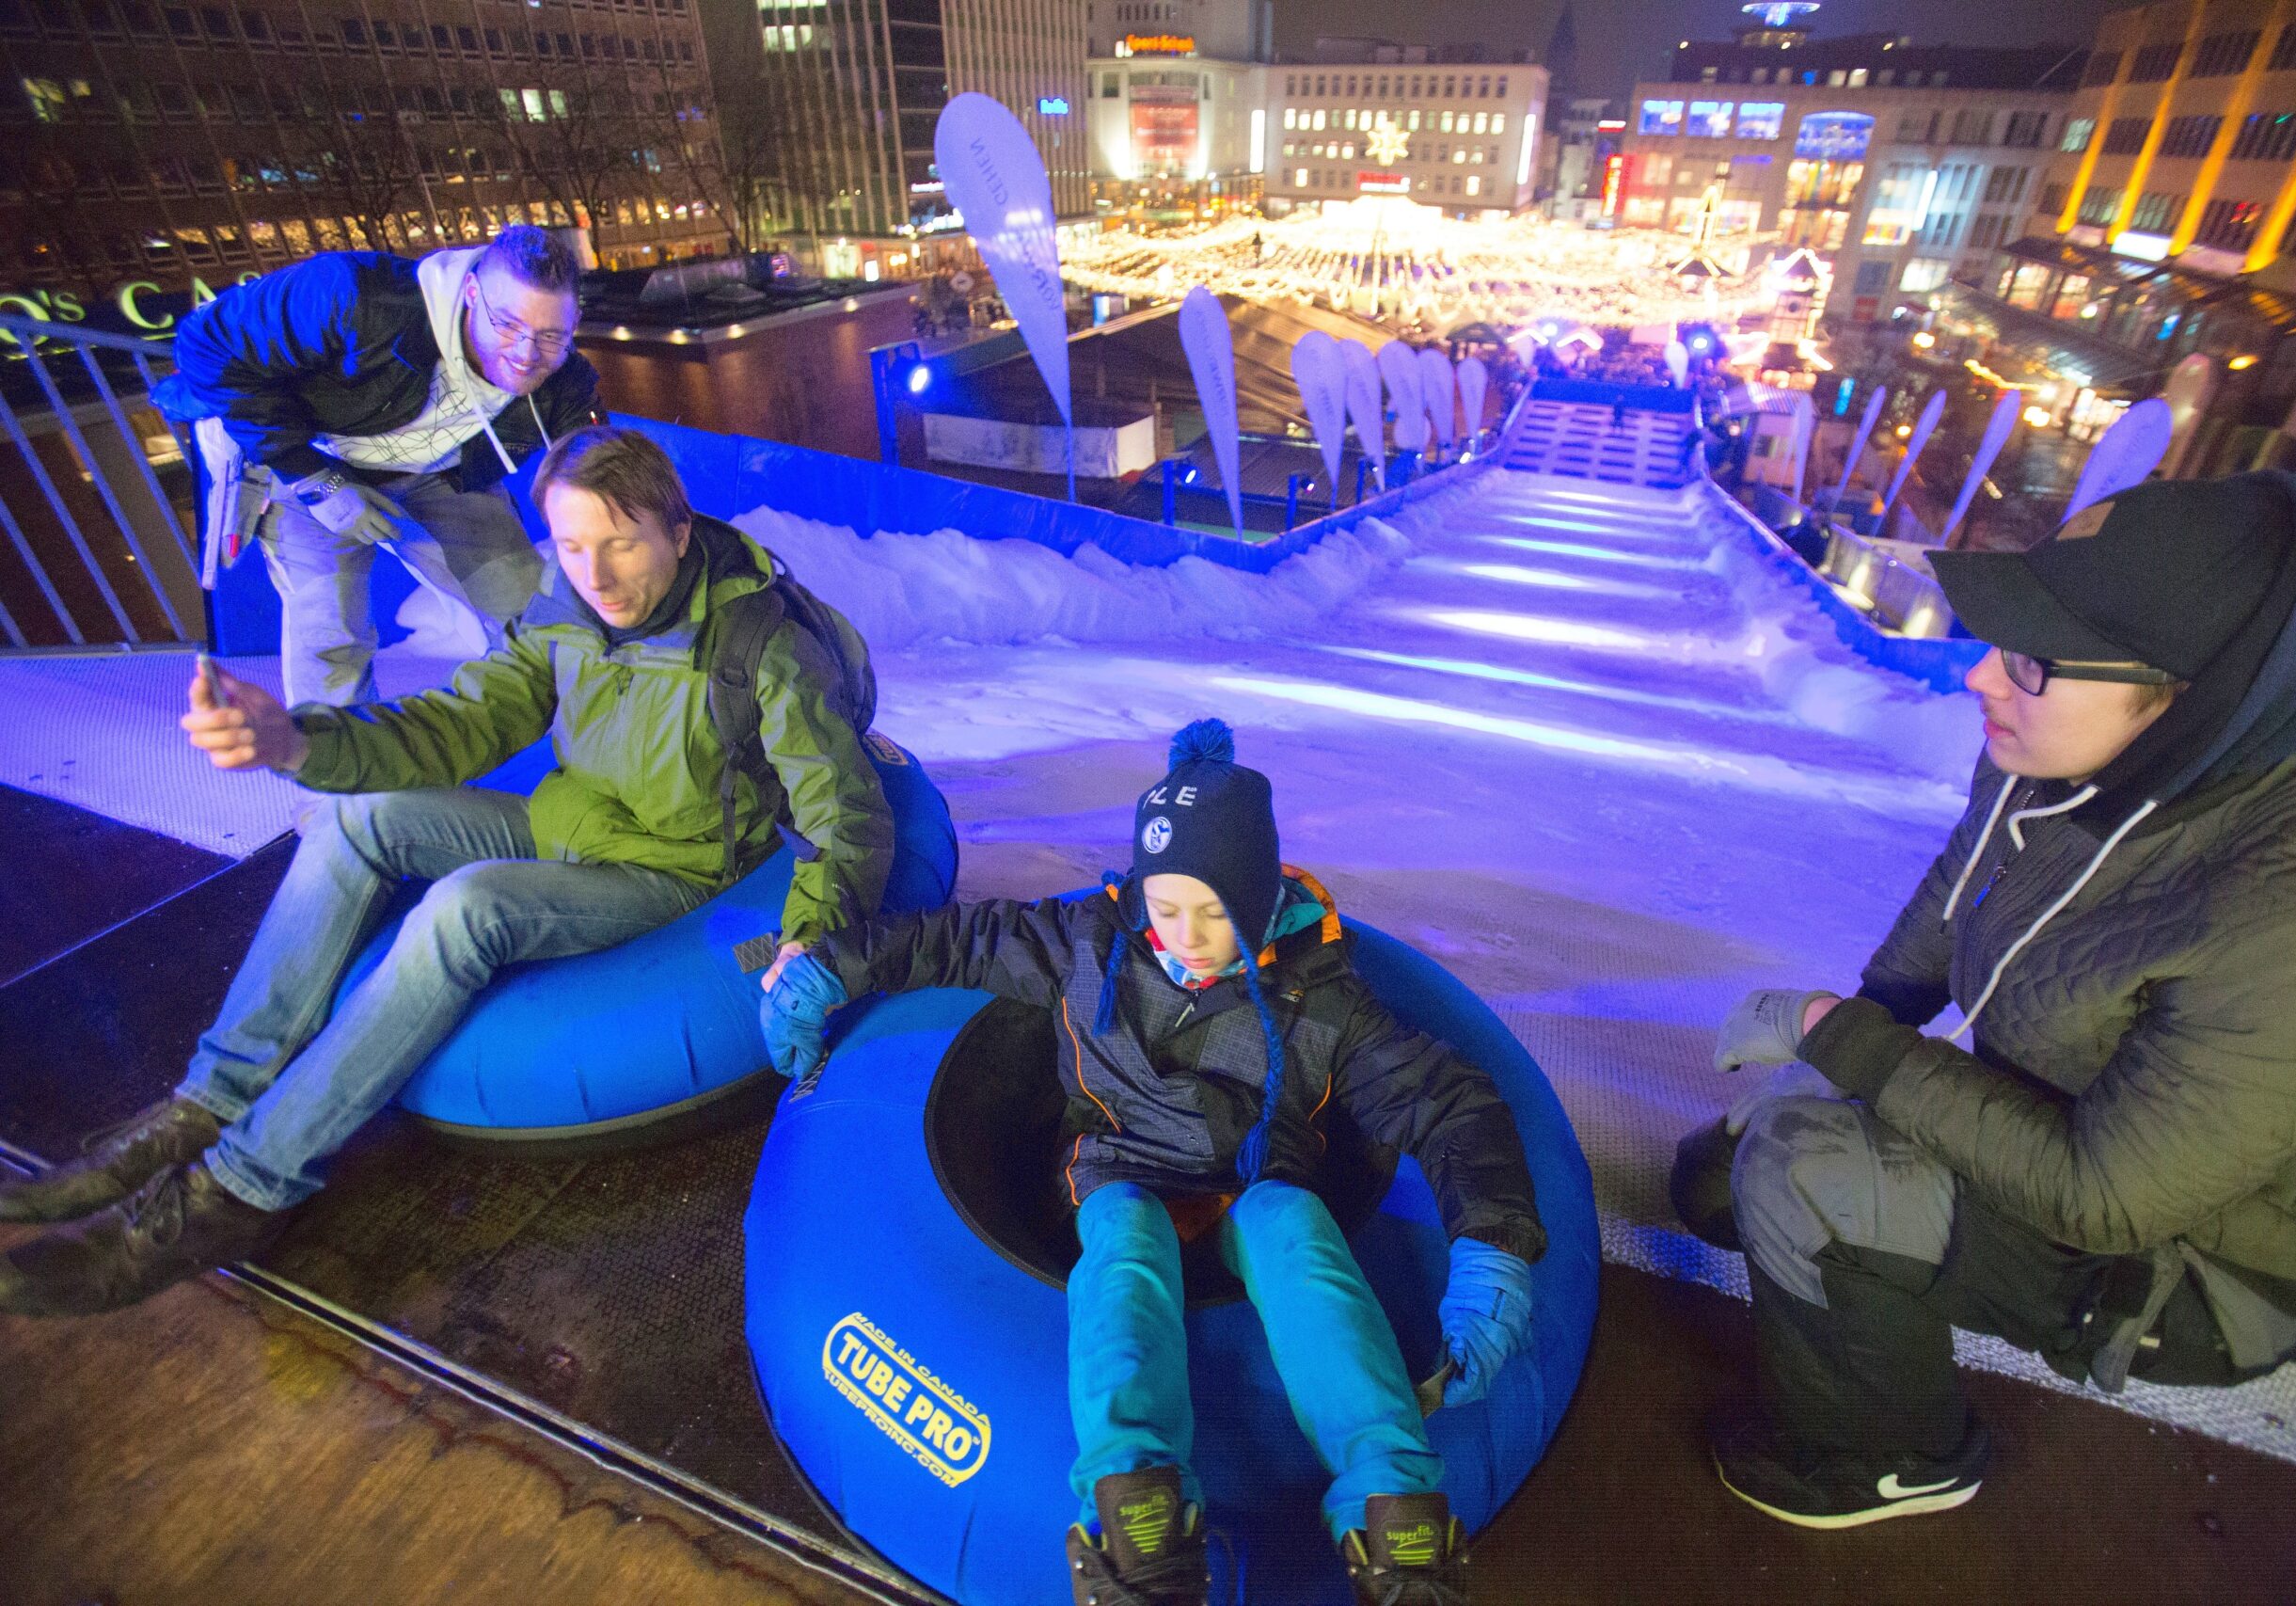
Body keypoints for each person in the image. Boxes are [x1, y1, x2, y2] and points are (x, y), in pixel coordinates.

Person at [0, 426, 895, 1314]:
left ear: (680, 531)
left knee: (466, 907)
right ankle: (206, 1102)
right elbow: (468, 718)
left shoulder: (760, 646)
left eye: (623, 542)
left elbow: (842, 811)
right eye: (575, 544)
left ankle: (238, 1190)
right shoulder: (567, 605)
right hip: (569, 821)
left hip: (674, 867)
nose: (599, 574)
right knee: (364, 820)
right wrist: (299, 740)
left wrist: (809, 940)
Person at [1671, 472, 2296, 1529]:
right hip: (2070, 1110)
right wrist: (1860, 1022)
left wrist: (1843, 1044)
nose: (1980, 677)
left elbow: (2104, 1195)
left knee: (1806, 1171)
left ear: (2194, 697)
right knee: (1716, 1181)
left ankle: (1892, 1456)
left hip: (2195, 1259)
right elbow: (1959, 883)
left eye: (2030, 658)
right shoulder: (2073, 748)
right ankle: (1851, 1232)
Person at [760, 721, 1546, 1606]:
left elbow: (1446, 1099)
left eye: (1214, 912)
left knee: (1300, 1240)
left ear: (1258, 894)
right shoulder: (1090, 942)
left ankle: (1394, 1496)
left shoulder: (1320, 997)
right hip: (1119, 1167)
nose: (1185, 937)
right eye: (1166, 907)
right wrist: (831, 966)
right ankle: (1136, 1500)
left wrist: (1491, 1246)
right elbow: (960, 939)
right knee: (1125, 1255)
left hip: (1257, 1180)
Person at [160, 225, 602, 707]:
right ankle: (342, 765)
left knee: (525, 599)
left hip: (436, 472)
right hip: (307, 456)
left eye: (550, 335)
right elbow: (205, 345)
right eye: (507, 325)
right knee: (329, 630)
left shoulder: (566, 381)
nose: (525, 354)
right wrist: (313, 480)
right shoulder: (355, 295)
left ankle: (587, 728)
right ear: (473, 291)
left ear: (574, 320)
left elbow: (604, 474)